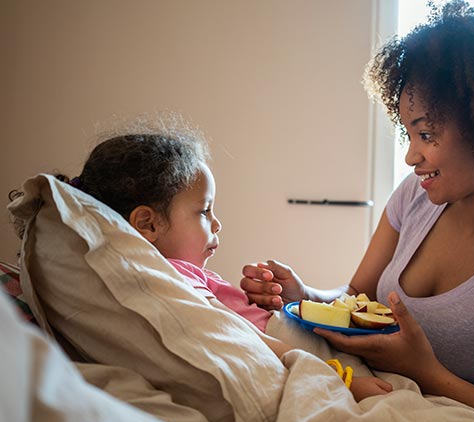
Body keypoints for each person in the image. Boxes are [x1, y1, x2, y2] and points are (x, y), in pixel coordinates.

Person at [240, 1, 474, 422]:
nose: (411, 155)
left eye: (427, 134)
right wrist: (303, 294)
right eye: (409, 133)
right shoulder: (417, 198)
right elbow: (358, 295)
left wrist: (428, 372)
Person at [53, 130, 393, 401]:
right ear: (148, 224)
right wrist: (340, 381)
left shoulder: (172, 275)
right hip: (315, 360)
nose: (216, 224)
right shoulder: (176, 277)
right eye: (204, 211)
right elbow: (240, 334)